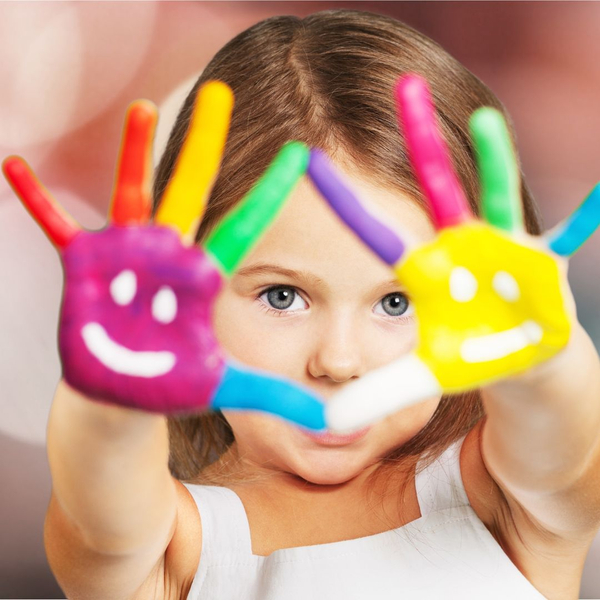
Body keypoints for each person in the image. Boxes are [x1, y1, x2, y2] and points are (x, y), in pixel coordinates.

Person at [20, 8, 600, 600]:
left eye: (397, 302)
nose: (339, 361)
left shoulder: (506, 501)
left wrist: (544, 364)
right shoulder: (173, 549)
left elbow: (563, 443)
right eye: (283, 296)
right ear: (190, 301)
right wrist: (110, 399)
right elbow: (99, 520)